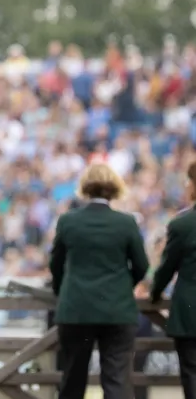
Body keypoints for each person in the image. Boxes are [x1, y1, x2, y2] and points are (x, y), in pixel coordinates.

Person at [49, 162, 148, 399]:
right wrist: (123, 287)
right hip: (117, 311)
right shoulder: (126, 222)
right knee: (117, 381)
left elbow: (55, 265)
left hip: (76, 310)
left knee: (72, 380)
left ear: (85, 187)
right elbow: (142, 266)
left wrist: (63, 291)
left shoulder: (68, 221)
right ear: (115, 188)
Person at [151, 160, 196, 399]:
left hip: (190, 312)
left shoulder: (183, 224)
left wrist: (154, 293)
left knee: (191, 372)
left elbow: (167, 268)